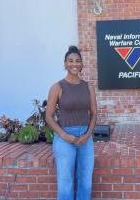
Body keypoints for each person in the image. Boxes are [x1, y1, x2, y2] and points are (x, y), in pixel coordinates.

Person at [45, 46, 97, 200]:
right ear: (65, 64)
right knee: (65, 183)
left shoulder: (88, 87)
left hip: (85, 138)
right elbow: (48, 116)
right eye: (70, 61)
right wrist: (64, 135)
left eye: (77, 61)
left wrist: (88, 135)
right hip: (64, 138)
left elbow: (94, 114)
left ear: (81, 64)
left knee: (86, 181)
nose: (74, 64)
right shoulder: (57, 87)